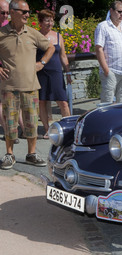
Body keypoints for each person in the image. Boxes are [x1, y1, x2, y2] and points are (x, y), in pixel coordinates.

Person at [0, 0, 55, 170]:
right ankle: (9, 155)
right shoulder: (1, 33)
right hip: (9, 87)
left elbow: (51, 47)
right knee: (10, 123)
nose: (27, 15)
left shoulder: (32, 33)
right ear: (12, 12)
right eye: (23, 12)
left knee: (31, 123)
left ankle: (31, 154)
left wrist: (42, 63)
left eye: (28, 12)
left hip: (31, 86)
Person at [36, 9, 71, 139]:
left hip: (56, 72)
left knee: (63, 101)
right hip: (41, 72)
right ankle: (47, 129)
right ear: (40, 22)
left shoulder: (58, 36)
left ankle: (68, 127)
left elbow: (63, 56)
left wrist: (68, 72)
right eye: (47, 21)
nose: (50, 23)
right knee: (42, 101)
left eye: (51, 20)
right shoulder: (35, 35)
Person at [95, 1, 122, 103]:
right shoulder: (103, 26)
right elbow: (99, 49)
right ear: (111, 11)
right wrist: (106, 71)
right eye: (119, 11)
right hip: (111, 71)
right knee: (107, 104)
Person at [0, 0, 23, 145]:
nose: (6, 16)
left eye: (8, 13)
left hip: (10, 70)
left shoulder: (7, 27)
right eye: (2, 13)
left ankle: (22, 130)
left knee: (15, 100)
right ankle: (9, 132)